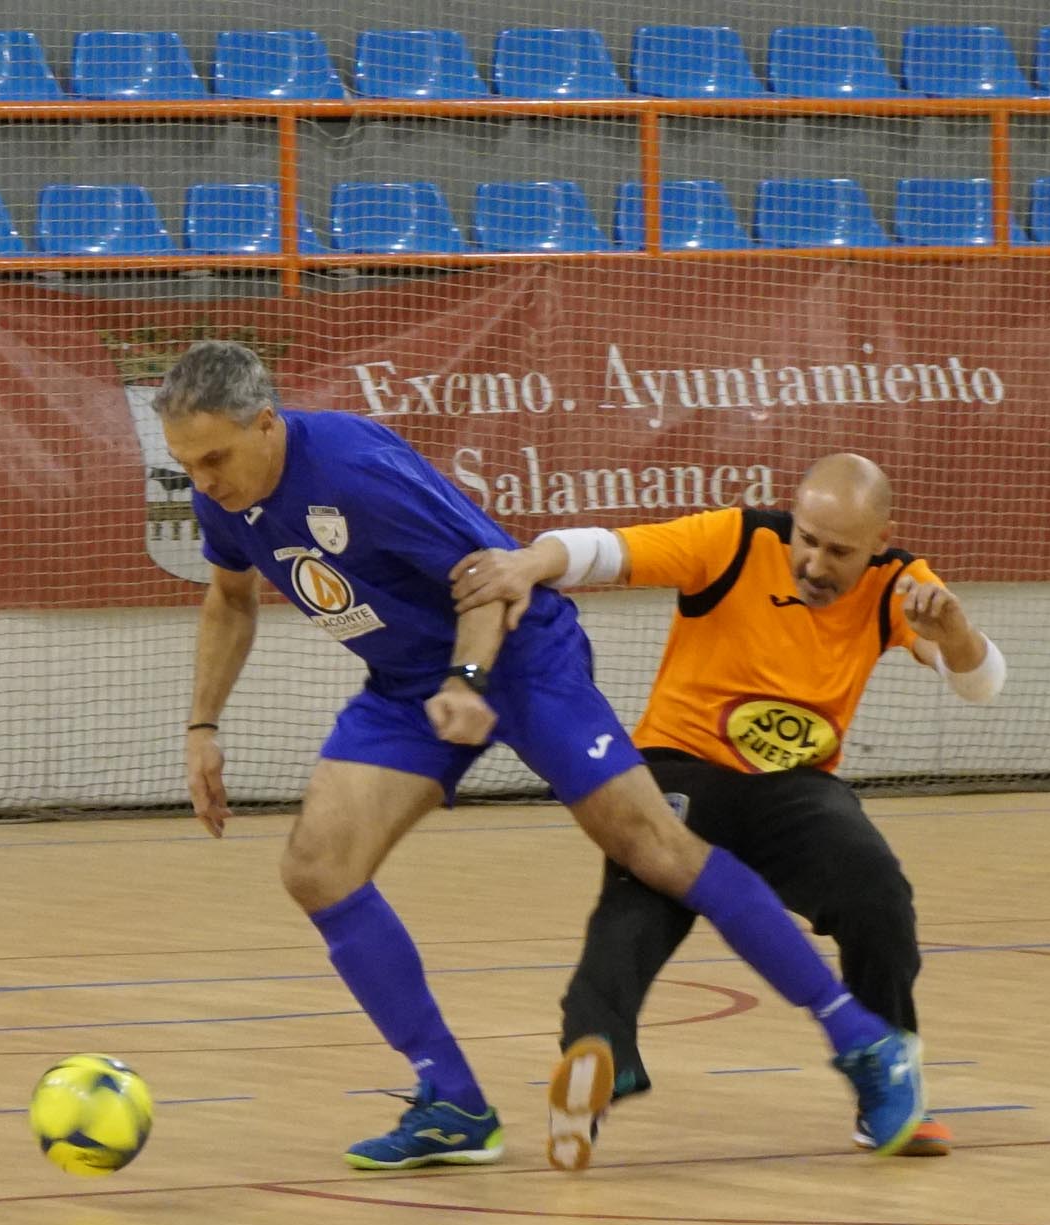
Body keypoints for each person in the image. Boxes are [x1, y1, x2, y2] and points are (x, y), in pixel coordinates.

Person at [160, 341, 926, 1171]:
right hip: (405, 684)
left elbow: (489, 575)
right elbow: (230, 599)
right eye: (186, 465)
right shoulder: (221, 500)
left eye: (215, 458)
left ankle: (865, 1042)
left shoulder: (352, 467)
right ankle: (451, 1099)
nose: (203, 479)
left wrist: (468, 678)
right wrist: (203, 725)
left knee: (653, 849)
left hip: (522, 655)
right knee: (317, 866)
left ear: (266, 424)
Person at [451, 453, 1005, 1167]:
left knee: (878, 894)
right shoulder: (736, 541)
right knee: (633, 914)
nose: (814, 560)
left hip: (798, 787)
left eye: (838, 550)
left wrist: (956, 633)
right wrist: (529, 562)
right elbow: (609, 550)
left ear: (879, 539)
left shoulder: (902, 585)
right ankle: (598, 1057)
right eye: (807, 537)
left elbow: (981, 683)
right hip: (682, 772)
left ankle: (887, 1078)